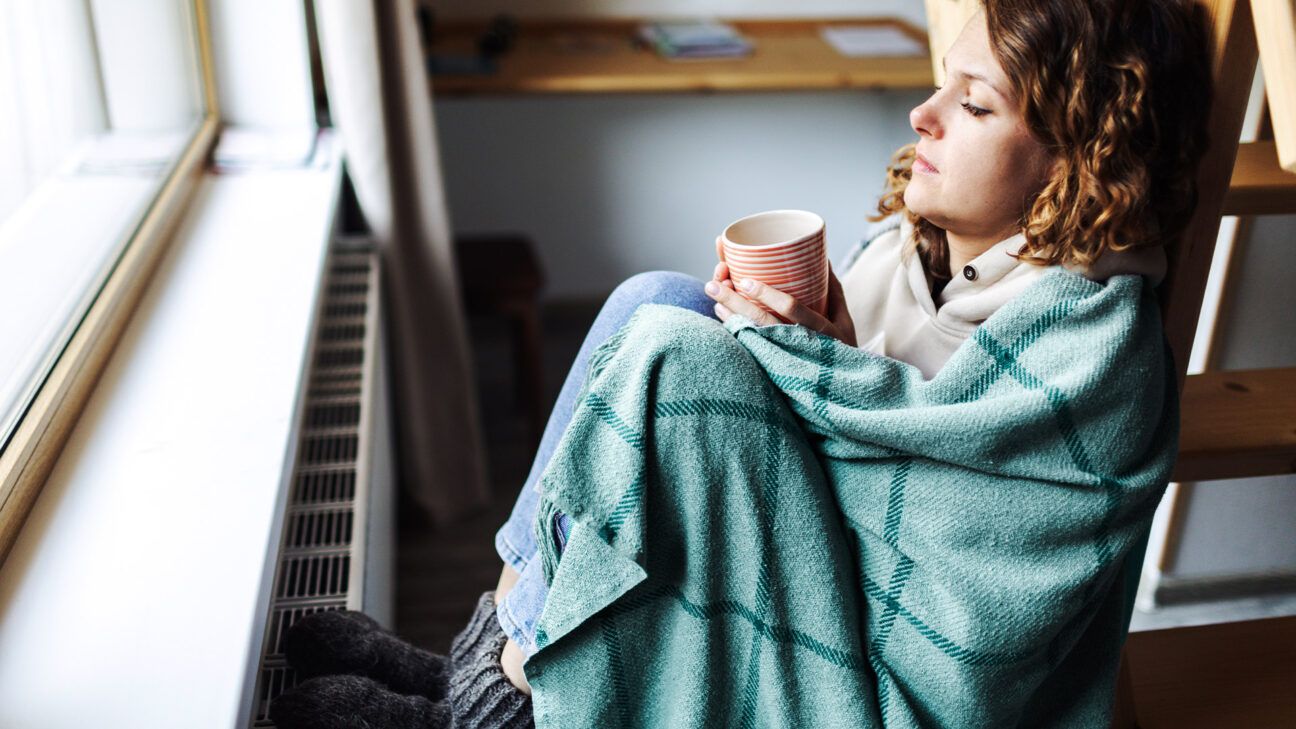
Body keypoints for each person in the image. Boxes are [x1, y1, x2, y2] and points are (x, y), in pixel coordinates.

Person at [269, 1, 1211, 726]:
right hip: (838, 562)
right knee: (661, 301)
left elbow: (948, 563)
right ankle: (492, 663)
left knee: (678, 355)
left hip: (895, 680)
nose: (922, 114)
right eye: (941, 87)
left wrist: (811, 368)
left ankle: (490, 699)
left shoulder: (1092, 343)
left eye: (972, 104)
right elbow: (893, 443)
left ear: (1079, 159)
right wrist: (829, 357)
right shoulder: (921, 255)